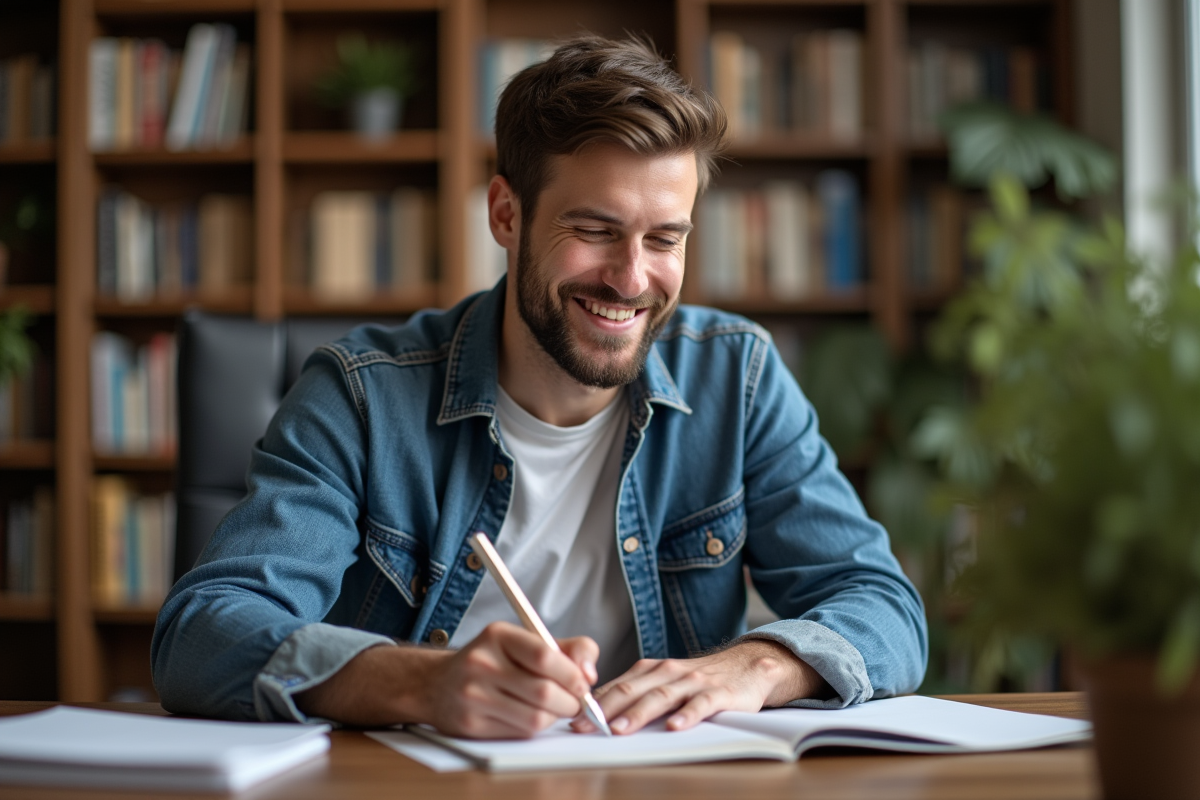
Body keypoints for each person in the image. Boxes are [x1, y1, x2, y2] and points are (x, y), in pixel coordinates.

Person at [151, 34, 927, 739]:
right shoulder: (360, 395)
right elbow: (201, 632)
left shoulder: (739, 377)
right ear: (505, 215)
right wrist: (423, 684)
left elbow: (885, 609)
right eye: (593, 231)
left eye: (664, 239)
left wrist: (758, 665)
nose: (631, 279)